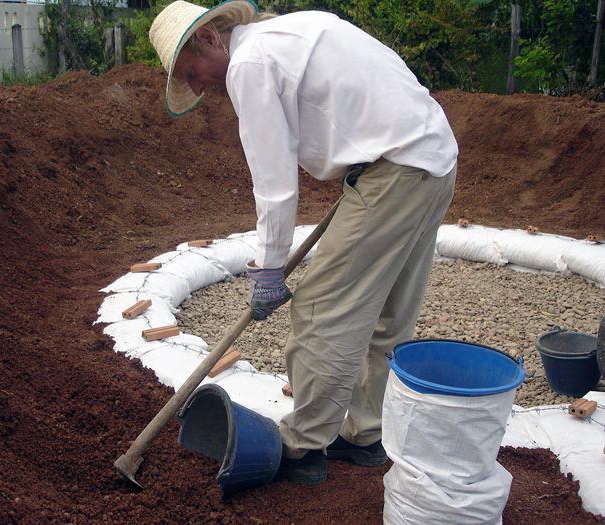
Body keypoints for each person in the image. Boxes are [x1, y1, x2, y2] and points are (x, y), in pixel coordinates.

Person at [149, 0, 458, 485]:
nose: (197, 86)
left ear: (210, 38)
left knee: (319, 306)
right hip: (433, 158)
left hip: (394, 169)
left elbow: (273, 184)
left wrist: (270, 268)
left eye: (191, 71)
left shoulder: (249, 66)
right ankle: (364, 435)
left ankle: (303, 446)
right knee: (389, 313)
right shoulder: (297, 30)